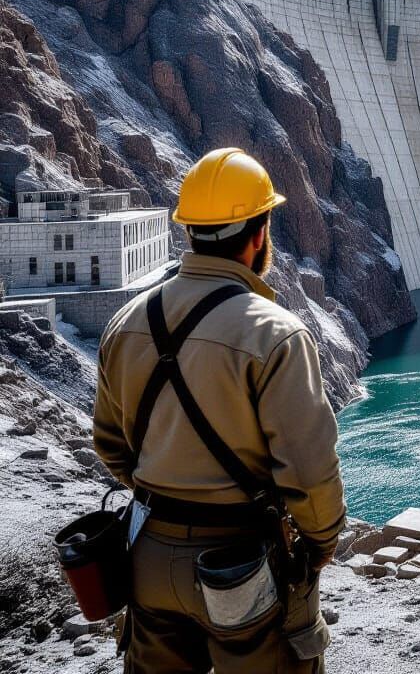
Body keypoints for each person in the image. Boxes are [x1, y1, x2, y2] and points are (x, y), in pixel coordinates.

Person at [94, 147, 346, 673]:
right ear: (260, 235)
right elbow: (308, 469)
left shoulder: (126, 321)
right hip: (241, 563)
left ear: (188, 231)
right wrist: (319, 543)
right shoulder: (274, 332)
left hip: (147, 558)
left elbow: (111, 444)